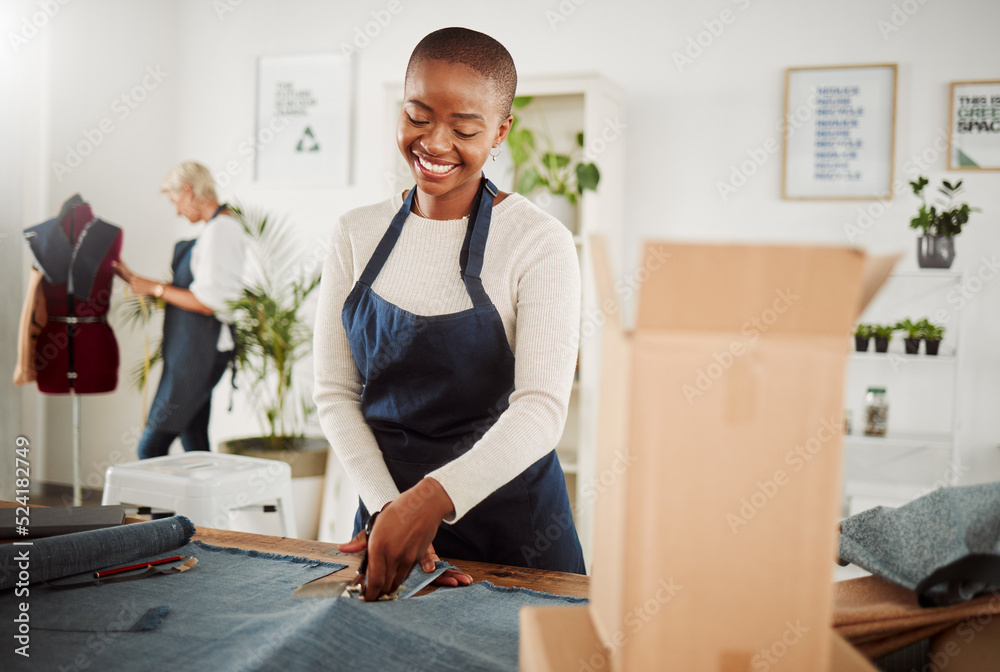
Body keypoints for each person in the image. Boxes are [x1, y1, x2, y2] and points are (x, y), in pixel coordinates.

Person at [313, 27, 585, 602]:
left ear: (501, 132)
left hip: (516, 532)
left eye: (464, 129)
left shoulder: (538, 242)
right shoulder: (354, 234)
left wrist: (429, 501)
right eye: (417, 117)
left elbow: (541, 408)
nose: (435, 144)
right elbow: (334, 392)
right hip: (390, 524)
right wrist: (392, 508)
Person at [114, 161, 246, 460]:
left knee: (151, 446)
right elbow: (194, 293)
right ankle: (200, 508)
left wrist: (155, 288)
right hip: (194, 352)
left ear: (188, 191)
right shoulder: (216, 229)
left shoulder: (221, 231)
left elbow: (207, 302)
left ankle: (164, 510)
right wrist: (136, 281)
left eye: (175, 202)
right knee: (195, 444)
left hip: (198, 355)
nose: (176, 211)